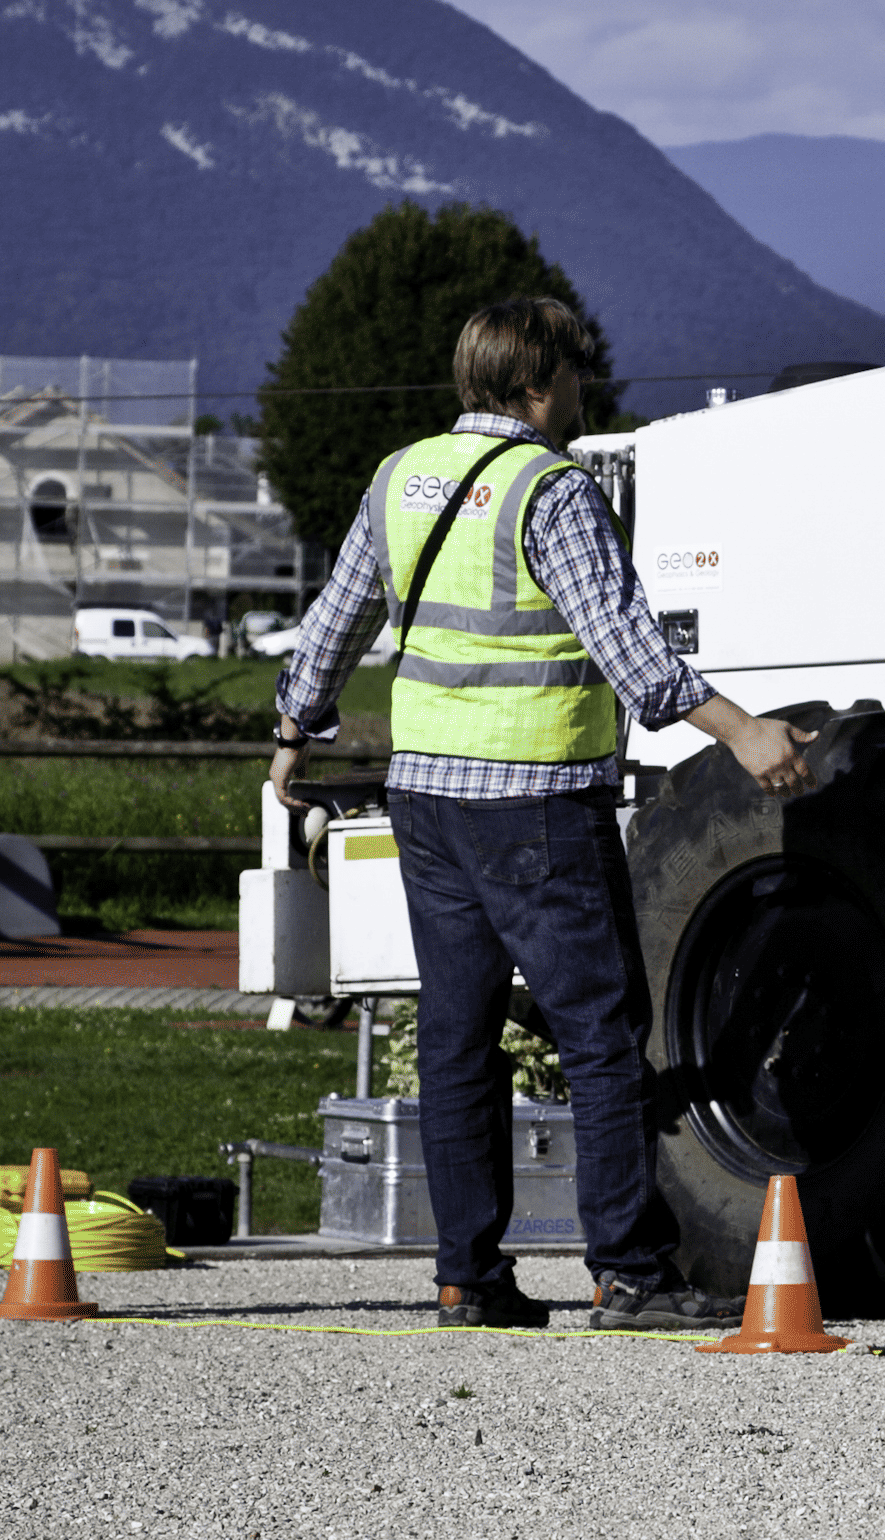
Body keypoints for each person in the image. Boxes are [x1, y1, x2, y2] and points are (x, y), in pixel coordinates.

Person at [270, 298, 817, 1329]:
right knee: (601, 1033)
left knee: (457, 1036)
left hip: (427, 801)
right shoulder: (551, 490)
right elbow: (631, 652)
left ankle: (466, 1277)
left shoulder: (402, 478)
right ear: (536, 383)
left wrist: (295, 725)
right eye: (573, 370)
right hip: (533, 801)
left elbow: (336, 616)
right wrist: (743, 730)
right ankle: (629, 1274)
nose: (583, 387)